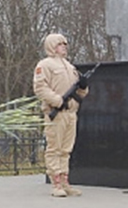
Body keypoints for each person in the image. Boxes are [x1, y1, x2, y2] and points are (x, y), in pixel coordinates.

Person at [32, 34, 88, 197]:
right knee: (54, 149)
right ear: (51, 46)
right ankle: (56, 183)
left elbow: (80, 93)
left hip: (71, 113)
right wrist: (57, 101)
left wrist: (83, 87)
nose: (64, 46)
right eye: (60, 44)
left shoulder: (70, 67)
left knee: (66, 150)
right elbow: (40, 88)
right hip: (56, 113)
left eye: (65, 43)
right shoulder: (45, 65)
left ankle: (65, 182)